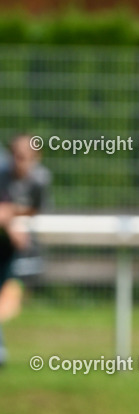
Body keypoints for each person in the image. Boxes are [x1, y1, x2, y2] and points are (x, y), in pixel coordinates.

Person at [0, 134, 51, 367]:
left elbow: (37, 210)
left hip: (26, 251)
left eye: (24, 156)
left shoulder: (40, 180)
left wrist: (10, 215)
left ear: (36, 157)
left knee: (9, 300)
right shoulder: (2, 174)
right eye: (15, 155)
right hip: (4, 248)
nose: (18, 160)